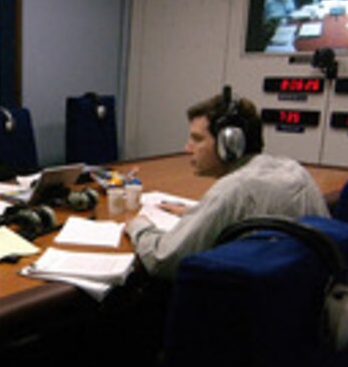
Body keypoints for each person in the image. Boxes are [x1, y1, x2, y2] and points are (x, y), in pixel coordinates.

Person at [126, 90, 330, 281]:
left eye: (197, 139)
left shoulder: (233, 190)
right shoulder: (294, 170)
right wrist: (201, 212)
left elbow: (163, 260)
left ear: (230, 143)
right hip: (298, 304)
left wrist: (139, 226)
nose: (187, 148)